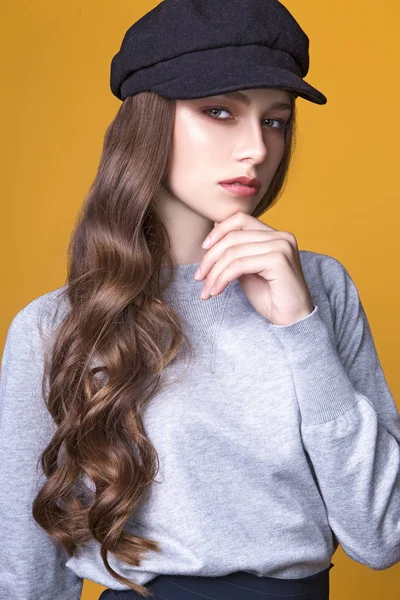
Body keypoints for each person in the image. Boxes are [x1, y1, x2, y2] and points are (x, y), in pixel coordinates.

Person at [1, 1, 399, 599]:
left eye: (276, 120)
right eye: (219, 112)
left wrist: (300, 327)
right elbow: (26, 570)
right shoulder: (55, 327)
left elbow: (383, 535)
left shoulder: (321, 289)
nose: (257, 150)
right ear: (149, 123)